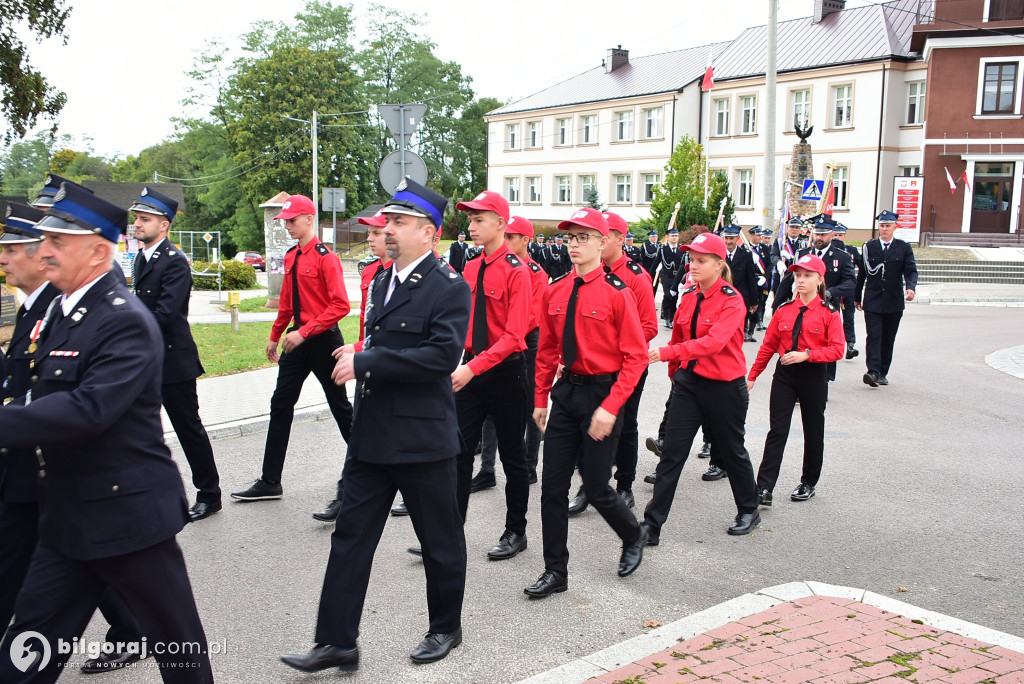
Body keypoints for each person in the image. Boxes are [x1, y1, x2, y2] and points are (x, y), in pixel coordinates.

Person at [0, 182, 212, 683]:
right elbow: (35, 393)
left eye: (57, 242)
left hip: (127, 516)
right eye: (43, 240)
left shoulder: (123, 320)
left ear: (98, 251)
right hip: (67, 516)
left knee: (179, 649)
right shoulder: (60, 312)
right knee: (26, 650)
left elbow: (88, 410)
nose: (43, 250)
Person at [280, 179, 471, 672]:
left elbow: (440, 357)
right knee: (350, 537)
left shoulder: (449, 287)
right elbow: (385, 343)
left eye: (399, 223)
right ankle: (336, 641)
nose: (387, 229)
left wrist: (367, 361)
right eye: (388, 221)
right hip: (372, 434)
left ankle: (446, 626)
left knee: (439, 540)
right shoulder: (382, 278)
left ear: (428, 233)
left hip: (422, 438)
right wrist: (360, 352)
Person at [526, 207, 649, 599]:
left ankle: (633, 534)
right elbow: (546, 349)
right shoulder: (555, 289)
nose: (574, 245)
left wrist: (611, 407)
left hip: (603, 393)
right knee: (551, 488)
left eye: (583, 237)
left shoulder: (618, 293)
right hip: (567, 393)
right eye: (570, 238)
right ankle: (555, 570)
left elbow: (635, 357)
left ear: (602, 242)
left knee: (596, 487)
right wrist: (540, 397)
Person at [232, 194, 354, 511]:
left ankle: (370, 470)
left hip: (323, 340)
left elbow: (340, 305)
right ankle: (270, 481)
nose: (287, 226)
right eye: (285, 221)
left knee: (341, 408)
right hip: (296, 342)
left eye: (292, 220)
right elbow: (287, 302)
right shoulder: (291, 257)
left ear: (309, 219)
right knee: (280, 403)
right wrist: (276, 336)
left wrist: (305, 331)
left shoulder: (326, 257)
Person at [642, 232, 761, 544]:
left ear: (719, 265)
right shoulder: (690, 296)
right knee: (672, 455)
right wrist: (675, 374)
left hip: (724, 387)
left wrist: (668, 355)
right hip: (689, 385)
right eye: (691, 259)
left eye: (701, 260)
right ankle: (651, 526)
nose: (692, 265)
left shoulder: (732, 300)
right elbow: (679, 338)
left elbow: (714, 343)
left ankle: (749, 508)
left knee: (732, 451)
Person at [129, 187, 222, 521]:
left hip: (173, 359)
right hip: (146, 360)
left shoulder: (175, 262)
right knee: (144, 430)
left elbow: (165, 314)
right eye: (137, 218)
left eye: (144, 219)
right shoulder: (142, 258)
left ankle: (209, 494)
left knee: (188, 429)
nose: (137, 224)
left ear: (164, 225)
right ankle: (153, 492)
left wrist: (126, 331)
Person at [449, 190, 532, 561]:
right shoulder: (469, 266)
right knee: (458, 453)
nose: (471, 227)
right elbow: (462, 322)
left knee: (513, 457)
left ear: (501, 223)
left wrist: (472, 367)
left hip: (504, 373)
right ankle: (449, 532)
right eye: (469, 220)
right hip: (470, 370)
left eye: (479, 219)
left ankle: (516, 531)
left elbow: (514, 337)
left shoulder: (517, 271)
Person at [566, 211, 657, 514]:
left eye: (603, 233)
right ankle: (588, 487)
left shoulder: (636, 277)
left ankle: (624, 486)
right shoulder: (588, 273)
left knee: (626, 424)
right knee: (589, 424)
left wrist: (614, 346)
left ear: (618, 238)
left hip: (628, 364)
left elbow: (649, 326)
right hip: (595, 368)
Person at [0, 202, 59, 632]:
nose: (3, 259)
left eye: (13, 249)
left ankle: (131, 629)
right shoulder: (30, 306)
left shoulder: (55, 308)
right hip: (24, 456)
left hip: (42, 460)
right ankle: (130, 628)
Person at [748, 254, 846, 507]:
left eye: (807, 276)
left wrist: (807, 355)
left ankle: (808, 482)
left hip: (813, 375)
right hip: (785, 375)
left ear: (819, 279)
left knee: (813, 430)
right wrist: (753, 376)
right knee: (777, 430)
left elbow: (837, 350)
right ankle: (764, 487)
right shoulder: (784, 310)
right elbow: (768, 346)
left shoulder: (829, 312)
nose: (801, 280)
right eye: (798, 275)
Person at [472, 215, 547, 491]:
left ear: (526, 240)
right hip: (496, 343)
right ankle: (487, 469)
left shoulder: (536, 272)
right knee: (490, 411)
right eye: (506, 235)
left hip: (526, 342)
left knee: (528, 406)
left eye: (512, 236)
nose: (506, 240)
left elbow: (531, 315)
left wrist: (505, 333)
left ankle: (529, 465)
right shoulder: (493, 266)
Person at [772, 215, 855, 381]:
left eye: (823, 234)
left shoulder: (842, 257)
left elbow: (850, 282)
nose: (819, 237)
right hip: (802, 306)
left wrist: (831, 292)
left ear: (832, 235)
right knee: (802, 338)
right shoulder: (803, 254)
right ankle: (799, 376)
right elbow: (789, 280)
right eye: (817, 234)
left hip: (827, 306)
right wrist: (778, 304)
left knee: (827, 342)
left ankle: (825, 378)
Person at [856, 211, 918, 387]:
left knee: (888, 338)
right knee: (874, 336)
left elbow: (911, 270)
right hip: (873, 300)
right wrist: (857, 296)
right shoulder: (869, 247)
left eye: (888, 226)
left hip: (894, 301)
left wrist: (911, 288)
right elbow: (863, 273)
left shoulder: (903, 248)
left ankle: (883, 372)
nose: (884, 229)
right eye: (882, 226)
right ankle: (872, 372)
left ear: (894, 227)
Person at [721, 224, 760, 342]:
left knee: (738, 331)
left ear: (738, 238)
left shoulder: (746, 255)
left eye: (731, 238)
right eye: (726, 238)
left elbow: (751, 279)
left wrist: (754, 301)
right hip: (722, 296)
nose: (728, 241)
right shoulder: (719, 255)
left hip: (741, 297)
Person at [831, 222, 862, 359]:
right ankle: (834, 345)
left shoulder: (851, 250)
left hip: (848, 290)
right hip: (834, 291)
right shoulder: (830, 251)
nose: (838, 237)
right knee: (834, 318)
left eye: (840, 235)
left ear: (845, 236)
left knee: (849, 318)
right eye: (835, 235)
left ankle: (850, 345)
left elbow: (862, 267)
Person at [770, 217, 806, 295]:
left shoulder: (804, 243)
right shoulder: (780, 242)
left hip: (797, 276)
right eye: (792, 227)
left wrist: (791, 257)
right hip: (782, 276)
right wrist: (779, 262)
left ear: (800, 230)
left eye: (797, 227)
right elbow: (773, 255)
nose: (794, 229)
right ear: (788, 228)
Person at [658, 228, 684, 327]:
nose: (674, 238)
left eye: (676, 236)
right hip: (666, 275)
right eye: (672, 236)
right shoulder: (663, 248)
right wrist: (650, 275)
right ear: (668, 237)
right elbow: (657, 261)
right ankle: (666, 317)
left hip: (677, 276)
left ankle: (672, 317)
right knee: (668, 295)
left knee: (674, 297)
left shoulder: (681, 249)